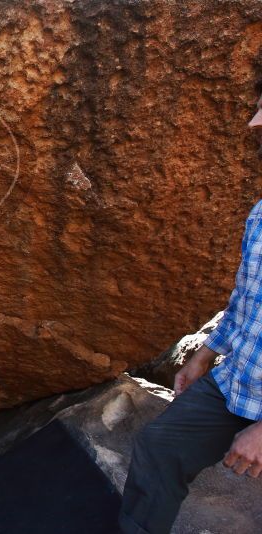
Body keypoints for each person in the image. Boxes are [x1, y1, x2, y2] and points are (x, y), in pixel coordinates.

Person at [119, 95, 262, 533]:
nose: (256, 129)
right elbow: (246, 298)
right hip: (239, 383)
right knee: (159, 447)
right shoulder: (261, 211)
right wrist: (205, 354)